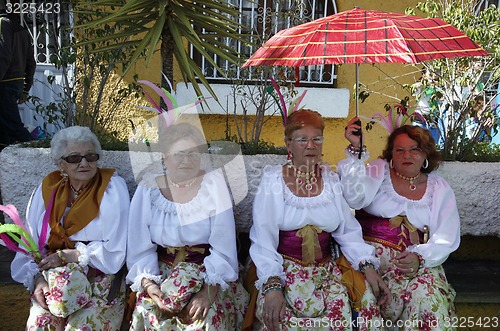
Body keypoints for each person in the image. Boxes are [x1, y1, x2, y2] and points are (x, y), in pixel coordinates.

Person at [248, 109, 391, 331]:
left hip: (326, 272)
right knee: (282, 319)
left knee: (361, 307)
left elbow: (347, 231)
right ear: (288, 145)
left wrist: (367, 265)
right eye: (302, 140)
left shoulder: (331, 181)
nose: (311, 145)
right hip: (284, 272)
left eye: (317, 139)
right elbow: (263, 240)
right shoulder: (273, 181)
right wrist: (273, 286)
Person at [126, 122, 249, 330]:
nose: (187, 160)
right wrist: (149, 285)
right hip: (161, 274)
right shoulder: (148, 189)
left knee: (204, 318)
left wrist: (207, 293)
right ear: (164, 156)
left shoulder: (213, 185)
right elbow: (139, 245)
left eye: (193, 154)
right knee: (150, 315)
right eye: (179, 154)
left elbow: (223, 244)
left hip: (206, 274)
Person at [339, 120, 460, 330]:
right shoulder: (379, 171)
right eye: (400, 150)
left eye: (414, 150)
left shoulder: (439, 188)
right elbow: (354, 199)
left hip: (416, 264)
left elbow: (446, 236)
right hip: (372, 260)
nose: (407, 155)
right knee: (368, 299)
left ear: (425, 155)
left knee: (427, 298)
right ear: (391, 153)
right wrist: (356, 150)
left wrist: (420, 258)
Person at [10, 126, 130, 330]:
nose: (84, 163)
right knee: (40, 324)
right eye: (74, 158)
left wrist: (72, 255)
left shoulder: (112, 189)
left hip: (99, 276)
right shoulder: (48, 188)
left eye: (90, 156)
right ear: (61, 164)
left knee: (83, 327)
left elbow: (117, 249)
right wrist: (37, 279)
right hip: (54, 278)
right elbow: (31, 241)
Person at [0, 1, 36, 149]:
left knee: (14, 128)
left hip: (5, 82)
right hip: (16, 83)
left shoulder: (2, 23)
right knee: (3, 130)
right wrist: (26, 88)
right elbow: (31, 62)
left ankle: (37, 151)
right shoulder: (21, 29)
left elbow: (3, 56)